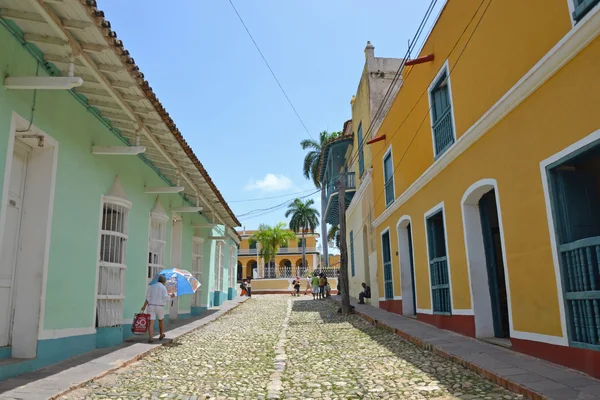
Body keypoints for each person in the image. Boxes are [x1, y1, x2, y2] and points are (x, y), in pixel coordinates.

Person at [141, 275, 174, 343]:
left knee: (151, 322)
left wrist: (144, 306)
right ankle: (161, 334)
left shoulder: (151, 286)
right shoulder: (163, 287)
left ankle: (150, 337)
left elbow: (148, 298)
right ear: (164, 281)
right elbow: (165, 297)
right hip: (159, 306)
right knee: (161, 320)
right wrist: (171, 296)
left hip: (151, 306)